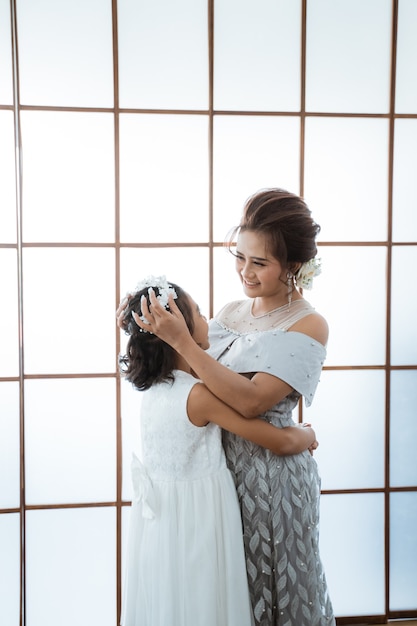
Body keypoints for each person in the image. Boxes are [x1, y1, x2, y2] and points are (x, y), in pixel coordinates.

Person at [121, 189, 335, 626]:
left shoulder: (309, 323)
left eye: (260, 263)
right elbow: (192, 375)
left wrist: (180, 339)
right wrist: (146, 327)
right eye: (241, 257)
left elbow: (252, 401)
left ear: (293, 265)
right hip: (216, 478)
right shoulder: (231, 311)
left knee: (278, 594)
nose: (245, 271)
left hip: (270, 477)